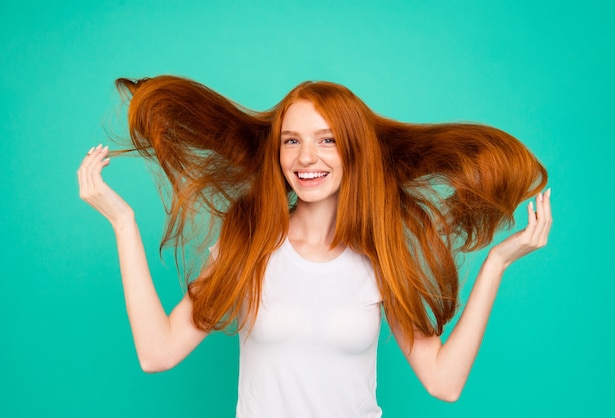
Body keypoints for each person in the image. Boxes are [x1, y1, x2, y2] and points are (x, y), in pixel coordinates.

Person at [78, 76, 552, 417]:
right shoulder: (247, 241)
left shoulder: (382, 255)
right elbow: (156, 353)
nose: (307, 157)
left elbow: (443, 383)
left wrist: (496, 263)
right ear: (277, 152)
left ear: (353, 151)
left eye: (327, 140)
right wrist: (123, 222)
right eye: (292, 141)